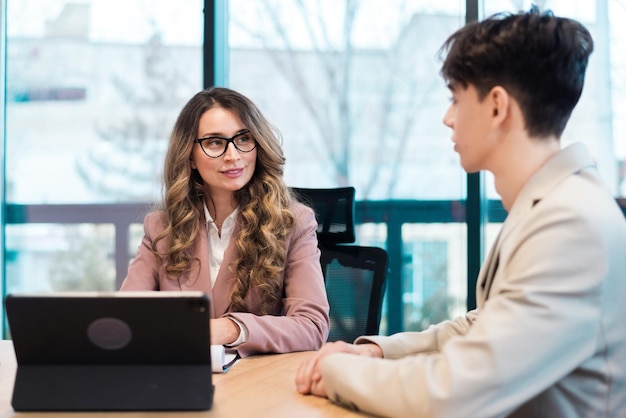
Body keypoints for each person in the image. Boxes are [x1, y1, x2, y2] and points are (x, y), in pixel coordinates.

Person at [295, 8, 626, 418]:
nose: (448, 117)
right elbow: (486, 327)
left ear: (497, 106)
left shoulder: (570, 223)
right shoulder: (552, 204)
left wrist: (338, 371)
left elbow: (453, 394)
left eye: (456, 98)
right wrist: (379, 352)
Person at [120, 87, 330, 358]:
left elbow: (311, 326)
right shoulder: (162, 228)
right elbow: (126, 318)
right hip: (180, 378)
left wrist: (231, 329)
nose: (233, 155)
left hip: (259, 385)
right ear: (190, 156)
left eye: (243, 138)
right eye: (215, 142)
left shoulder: (293, 223)